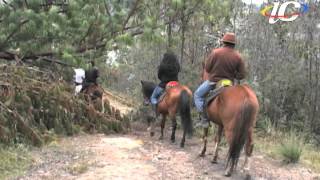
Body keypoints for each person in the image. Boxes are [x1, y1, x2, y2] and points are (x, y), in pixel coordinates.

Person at [194, 32, 246, 128]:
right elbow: (242, 75)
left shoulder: (215, 52)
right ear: (234, 44)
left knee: (197, 95)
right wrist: (233, 74)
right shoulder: (238, 56)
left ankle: (204, 119)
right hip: (229, 84)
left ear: (223, 42)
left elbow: (208, 69)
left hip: (213, 82)